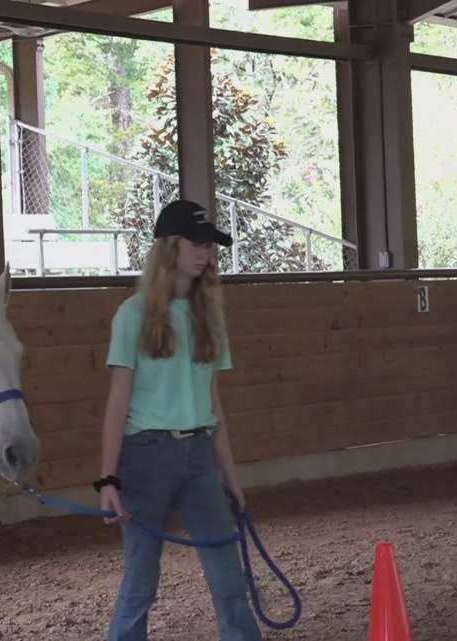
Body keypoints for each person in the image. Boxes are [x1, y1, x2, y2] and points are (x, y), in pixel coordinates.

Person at [95, 199, 261, 641]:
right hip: (146, 455)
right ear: (170, 246)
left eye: (208, 244)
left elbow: (214, 404)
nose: (204, 252)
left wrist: (230, 476)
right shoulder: (132, 316)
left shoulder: (209, 318)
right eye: (195, 241)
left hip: (199, 456)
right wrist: (108, 479)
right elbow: (118, 400)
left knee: (227, 572)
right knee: (142, 578)